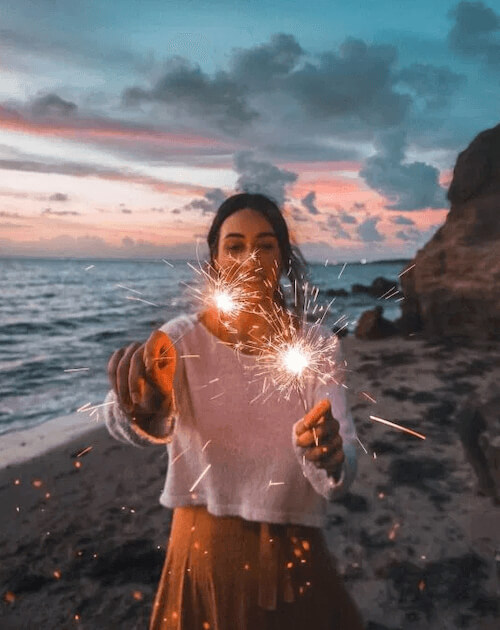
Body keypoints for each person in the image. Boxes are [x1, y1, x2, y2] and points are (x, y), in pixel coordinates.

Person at [103, 193, 365, 630]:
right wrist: (143, 409)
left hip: (293, 552)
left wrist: (330, 456)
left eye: (265, 245)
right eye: (235, 246)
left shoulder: (317, 345)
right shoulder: (181, 340)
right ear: (215, 259)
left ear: (282, 257)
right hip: (199, 552)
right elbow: (122, 418)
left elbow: (342, 463)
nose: (251, 259)